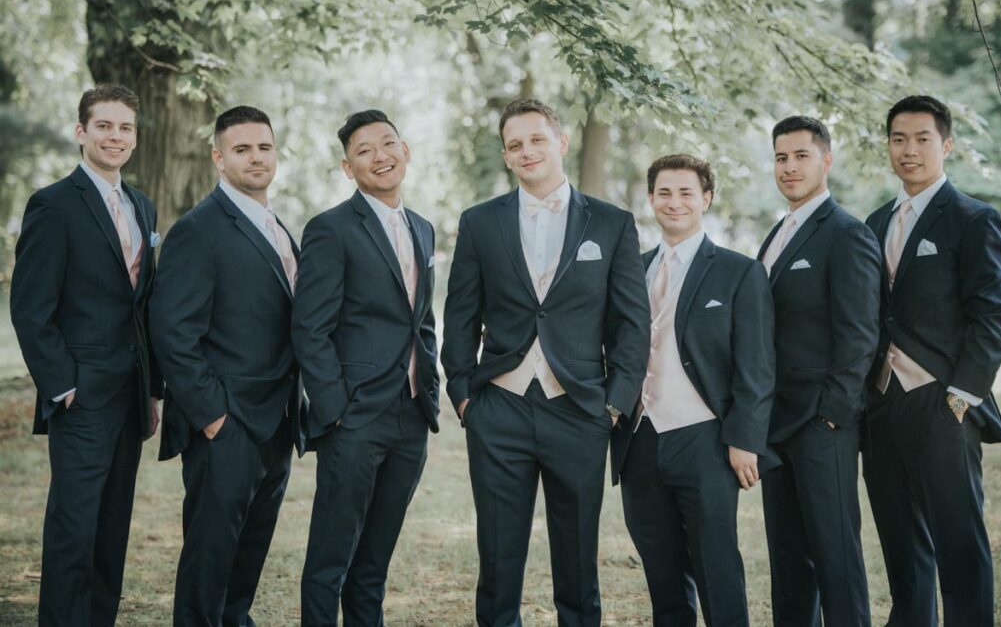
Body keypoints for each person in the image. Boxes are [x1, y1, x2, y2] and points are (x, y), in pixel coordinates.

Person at [441, 98, 650, 627]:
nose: (527, 150)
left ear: (561, 141)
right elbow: (459, 315)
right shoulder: (479, 223)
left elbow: (631, 323)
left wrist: (614, 404)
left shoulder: (611, 223)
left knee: (579, 562)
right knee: (497, 558)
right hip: (498, 409)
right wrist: (466, 397)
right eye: (515, 144)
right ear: (507, 157)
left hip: (581, 410)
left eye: (537, 139)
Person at [10, 84, 162, 627]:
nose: (115, 136)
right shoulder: (53, 204)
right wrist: (64, 385)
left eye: (125, 127)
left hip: (129, 398)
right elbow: (30, 309)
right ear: (82, 132)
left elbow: (142, 307)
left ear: (135, 137)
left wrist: (153, 388)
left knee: (112, 528)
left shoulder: (142, 205)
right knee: (74, 529)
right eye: (104, 126)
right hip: (81, 397)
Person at [150, 105, 305, 626]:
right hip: (227, 426)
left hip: (277, 422)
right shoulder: (199, 230)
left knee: (247, 558)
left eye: (264, 147)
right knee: (210, 559)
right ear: (219, 158)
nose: (255, 157)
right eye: (241, 149)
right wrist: (213, 416)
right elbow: (173, 333)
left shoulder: (279, 227)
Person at [863, 95, 1001, 627]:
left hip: (943, 403)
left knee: (958, 538)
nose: (910, 150)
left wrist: (961, 396)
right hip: (880, 406)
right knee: (900, 541)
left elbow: (992, 318)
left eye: (923, 139)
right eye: (899, 139)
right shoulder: (875, 222)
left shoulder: (973, 219)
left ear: (945, 144)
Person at [610, 154, 773, 626]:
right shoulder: (630, 270)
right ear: (650, 200)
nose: (674, 202)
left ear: (706, 198)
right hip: (639, 440)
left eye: (686, 192)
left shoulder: (739, 272)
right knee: (661, 570)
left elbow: (756, 365)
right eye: (664, 192)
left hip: (705, 438)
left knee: (716, 564)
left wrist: (744, 439)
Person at [294, 110, 440, 626]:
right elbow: (309, 329)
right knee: (329, 561)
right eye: (364, 150)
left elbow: (422, 322)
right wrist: (335, 410)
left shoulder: (423, 228)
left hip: (411, 418)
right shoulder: (331, 229)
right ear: (347, 167)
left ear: (406, 151)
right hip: (353, 418)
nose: (380, 156)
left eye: (387, 144)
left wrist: (432, 394)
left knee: (374, 563)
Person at [756, 116, 879, 627]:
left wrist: (831, 414)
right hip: (774, 424)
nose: (789, 167)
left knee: (836, 558)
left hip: (821, 425)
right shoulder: (777, 233)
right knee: (789, 561)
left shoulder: (848, 234)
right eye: (781, 157)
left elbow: (860, 335)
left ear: (826, 161)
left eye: (801, 156)